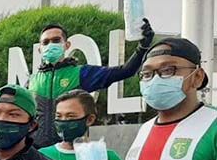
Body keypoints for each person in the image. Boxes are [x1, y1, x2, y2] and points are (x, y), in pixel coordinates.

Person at [29, 20, 155, 148]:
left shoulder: (81, 73)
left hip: (72, 150)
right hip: (36, 153)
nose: (50, 45)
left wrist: (142, 47)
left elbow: (125, 71)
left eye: (56, 40)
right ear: (40, 49)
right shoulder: (32, 81)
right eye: (46, 42)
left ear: (67, 45)